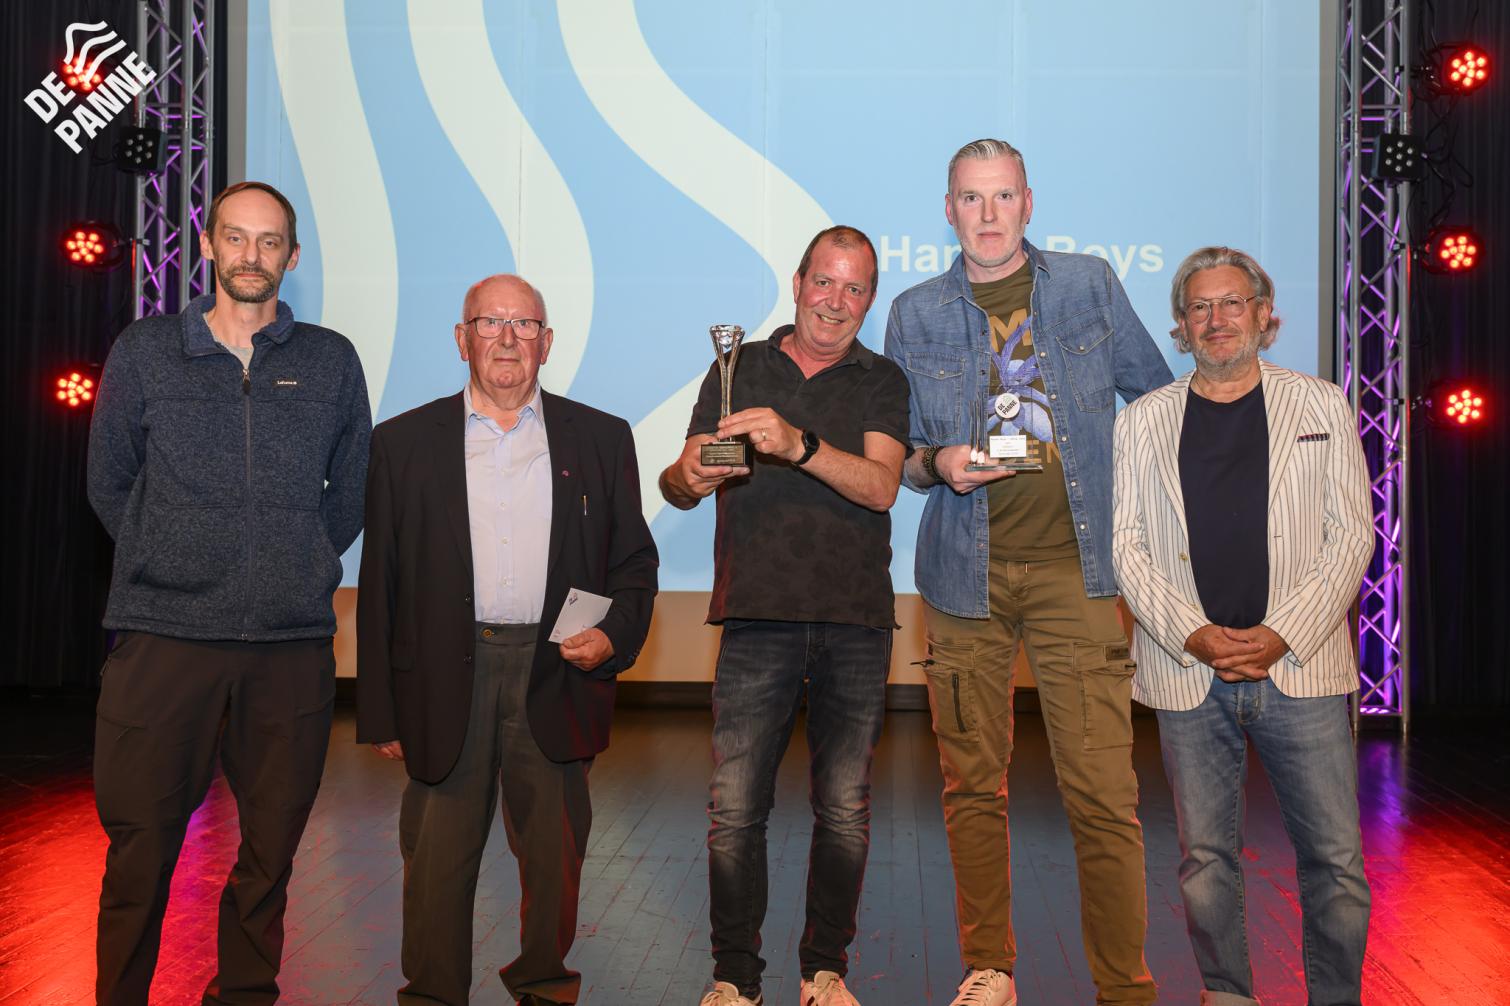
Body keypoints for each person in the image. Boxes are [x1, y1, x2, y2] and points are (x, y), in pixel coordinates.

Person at [884, 139, 1172, 1006]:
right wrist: (939, 464)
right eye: (971, 199)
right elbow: (901, 454)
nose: (988, 214)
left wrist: (1147, 525)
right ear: (948, 209)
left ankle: (1124, 989)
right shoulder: (913, 312)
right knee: (972, 787)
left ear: (1029, 202)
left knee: (1103, 793)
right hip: (962, 580)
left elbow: (1157, 401)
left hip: (1076, 576)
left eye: (1002, 196)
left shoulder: (1089, 285)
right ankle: (990, 969)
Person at [86, 181, 372, 1005]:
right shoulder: (145, 351)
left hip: (289, 645)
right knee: (140, 851)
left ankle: (244, 995)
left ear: (293, 256)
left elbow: (351, 491)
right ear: (207, 245)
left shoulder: (330, 360)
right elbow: (109, 481)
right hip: (163, 636)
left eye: (270, 241)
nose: (252, 255)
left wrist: (295, 559)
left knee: (271, 850)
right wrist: (167, 552)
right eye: (237, 238)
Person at [356, 273, 658, 1006]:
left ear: (546, 344)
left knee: (555, 857)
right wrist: (381, 710)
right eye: (489, 323)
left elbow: (634, 565)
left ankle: (544, 986)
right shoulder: (402, 443)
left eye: (524, 325)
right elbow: (380, 583)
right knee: (435, 859)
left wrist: (612, 637)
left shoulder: (601, 438)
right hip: (441, 676)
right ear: (462, 339)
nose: (507, 339)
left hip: (554, 671)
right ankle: (433, 994)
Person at [1112, 246, 1374, 1006]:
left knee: (1336, 861)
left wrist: (1283, 632)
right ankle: (1228, 995)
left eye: (1232, 303)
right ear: (1181, 325)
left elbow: (1351, 536)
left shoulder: (1321, 404)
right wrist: (1192, 634)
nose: (1216, 319)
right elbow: (1126, 546)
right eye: (1200, 307)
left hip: (1301, 669)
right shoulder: (1144, 421)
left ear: (1263, 315)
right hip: (1188, 672)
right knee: (1205, 861)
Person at [659, 226, 910, 1006]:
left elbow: (881, 487)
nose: (836, 301)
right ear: (798, 283)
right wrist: (689, 476)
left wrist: (799, 445)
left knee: (844, 810)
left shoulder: (882, 379)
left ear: (870, 299)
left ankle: (823, 971)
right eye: (824, 282)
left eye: (855, 288)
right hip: (755, 614)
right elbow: (678, 483)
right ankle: (735, 978)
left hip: (855, 621)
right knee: (735, 809)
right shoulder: (737, 367)